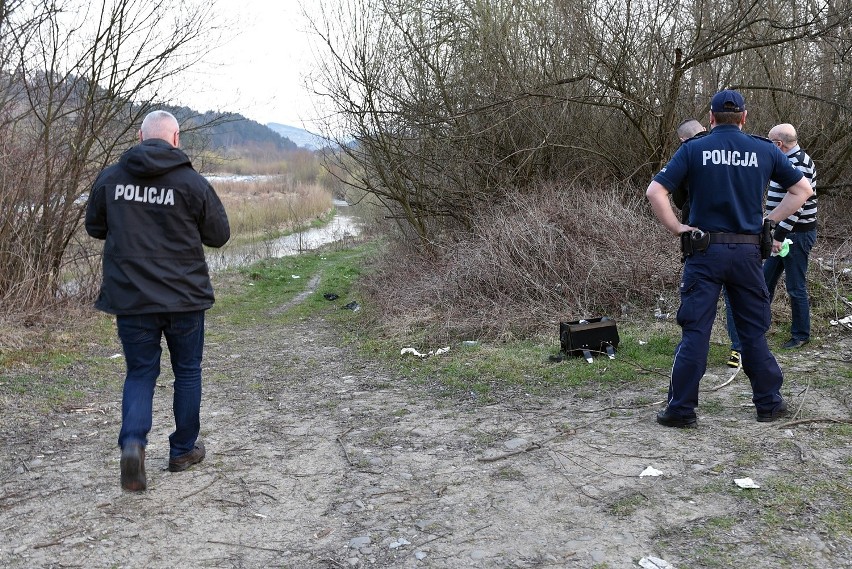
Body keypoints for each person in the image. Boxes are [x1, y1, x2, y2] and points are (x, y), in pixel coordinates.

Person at [646, 90, 813, 427]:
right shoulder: (764, 149)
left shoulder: (693, 148)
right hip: (748, 253)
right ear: (744, 117)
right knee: (752, 332)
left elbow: (655, 191)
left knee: (696, 332)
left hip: (704, 252)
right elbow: (803, 191)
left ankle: (680, 411)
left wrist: (678, 228)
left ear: (710, 117)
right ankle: (768, 404)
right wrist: (770, 220)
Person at [85, 110, 231, 491]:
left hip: (132, 298)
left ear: (140, 136)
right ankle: (183, 450)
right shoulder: (191, 182)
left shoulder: (112, 178)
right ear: (176, 138)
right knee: (187, 371)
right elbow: (219, 235)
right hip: (184, 299)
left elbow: (95, 226)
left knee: (140, 373)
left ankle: (133, 445)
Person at [672, 119, 742, 369]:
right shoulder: (736, 148)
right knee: (736, 296)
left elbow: (677, 196)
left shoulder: (688, 152)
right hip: (741, 238)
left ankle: (692, 352)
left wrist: (678, 226)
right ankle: (739, 349)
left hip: (700, 237)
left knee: (699, 302)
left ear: (683, 139)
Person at [764, 123, 817, 349]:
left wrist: (779, 236)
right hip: (781, 233)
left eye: (770, 142)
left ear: (779, 144)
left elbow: (798, 205)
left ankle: (801, 335)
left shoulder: (799, 163)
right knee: (764, 283)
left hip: (795, 236)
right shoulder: (785, 160)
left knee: (795, 287)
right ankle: (757, 329)